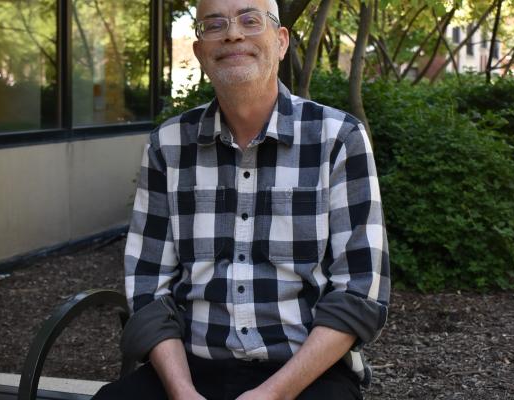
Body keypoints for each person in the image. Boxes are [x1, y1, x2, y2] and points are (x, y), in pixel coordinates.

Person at [93, 0, 389, 398]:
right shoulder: (168, 145)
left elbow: (359, 292)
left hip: (306, 373)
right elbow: (149, 288)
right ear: (200, 52)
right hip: (190, 368)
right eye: (214, 24)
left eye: (250, 20)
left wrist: (273, 394)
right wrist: (182, 392)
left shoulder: (338, 139)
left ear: (281, 41)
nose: (233, 33)